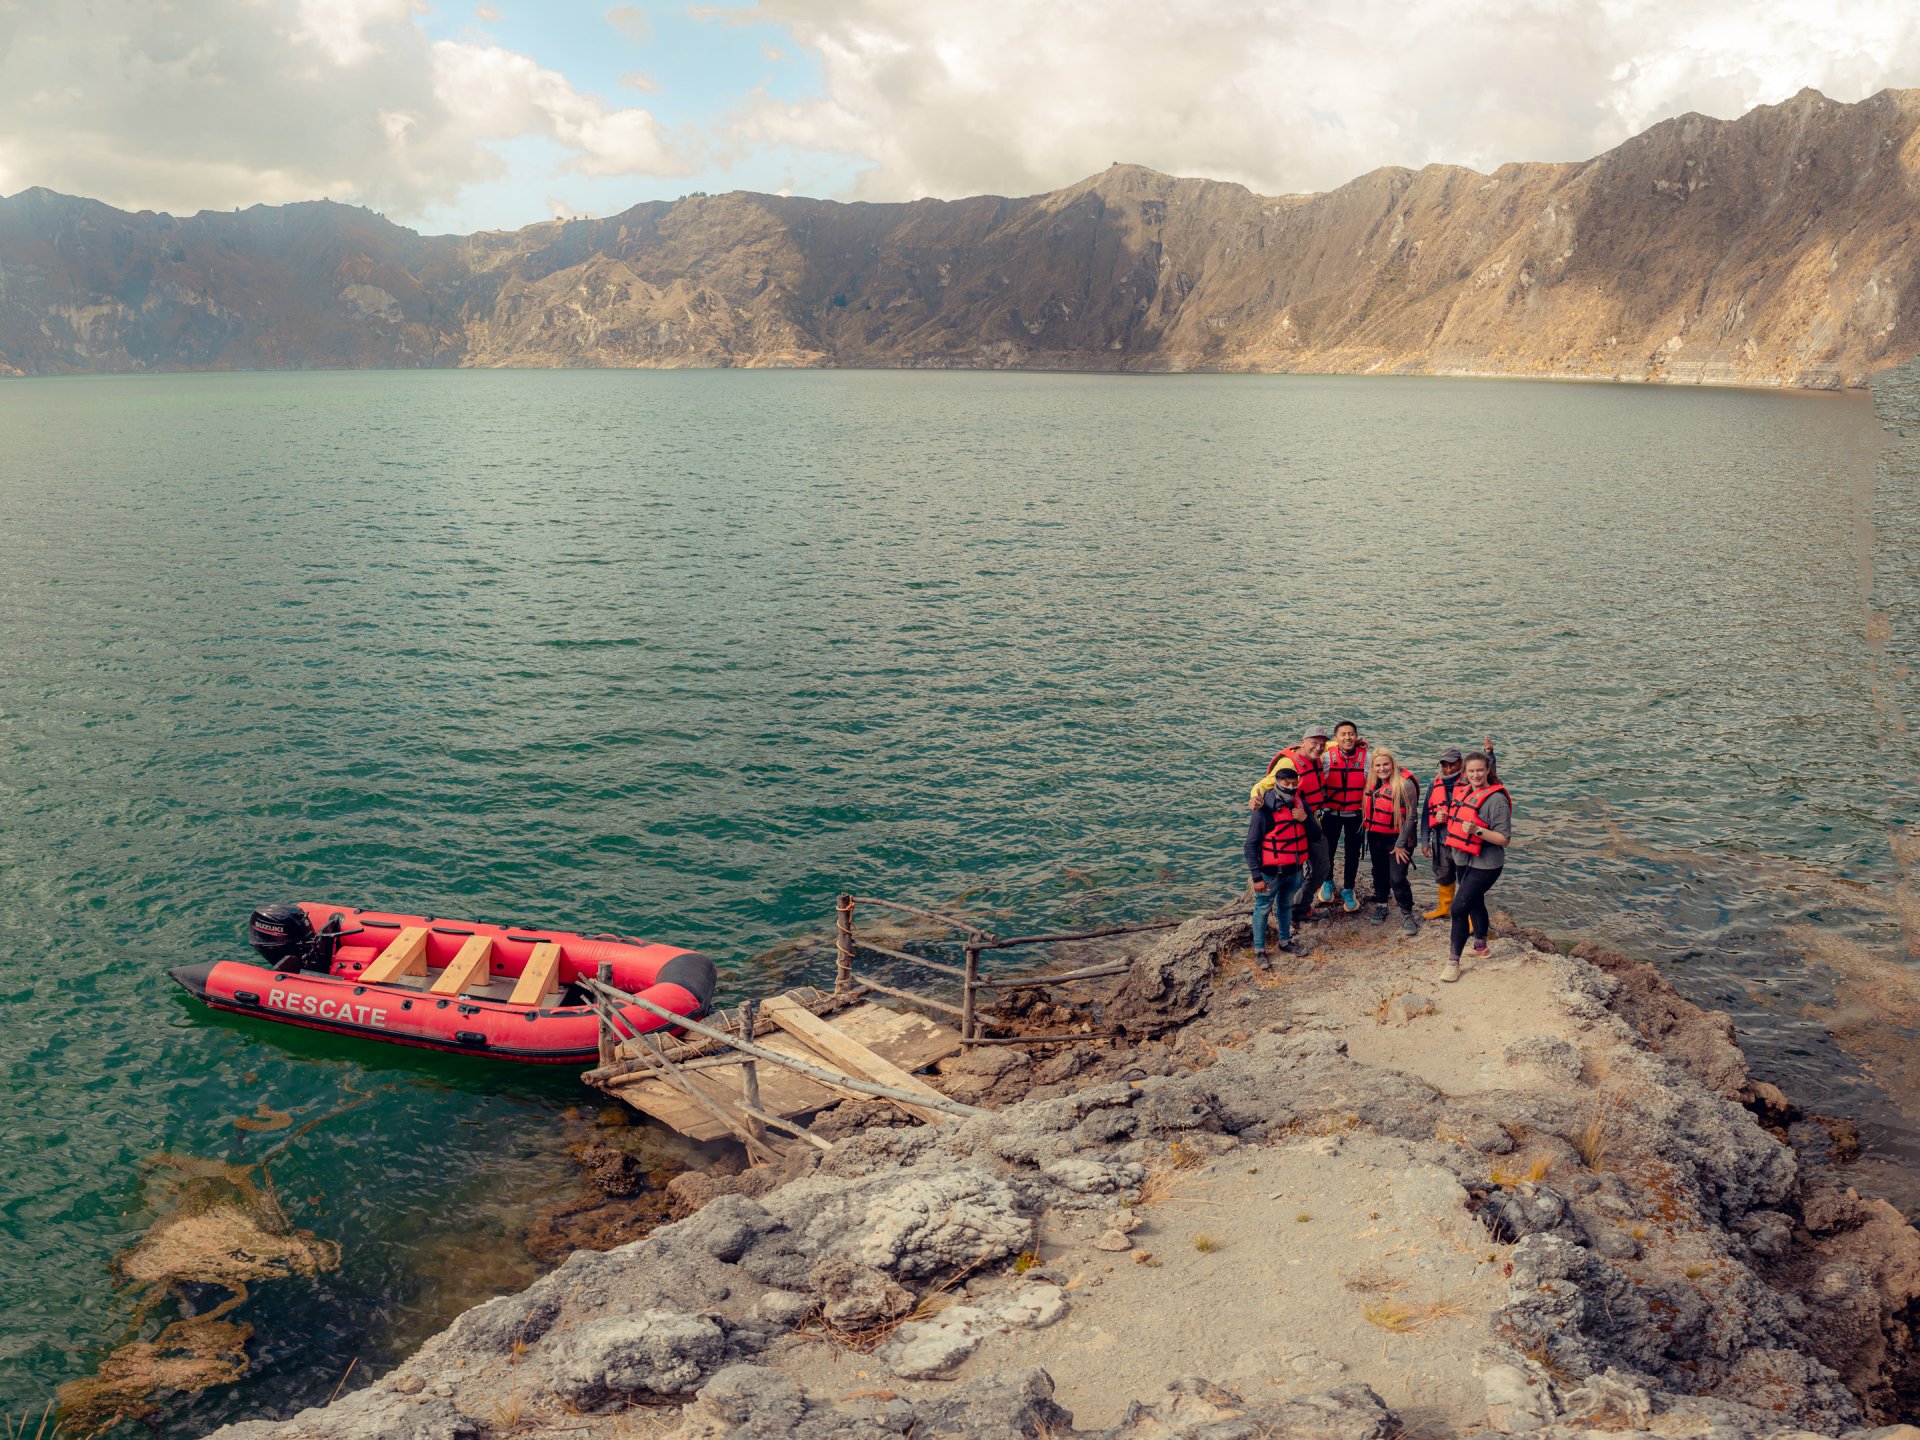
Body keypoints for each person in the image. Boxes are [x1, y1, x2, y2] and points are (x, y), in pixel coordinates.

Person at [1439, 749, 1511, 983]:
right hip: (1463, 857)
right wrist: (1444, 815)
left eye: (1480, 770)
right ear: (1465, 772)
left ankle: (1453, 962)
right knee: (1474, 901)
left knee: (1459, 908)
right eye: (1471, 771)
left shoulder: (1497, 800)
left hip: (1487, 864)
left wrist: (1477, 831)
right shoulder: (1464, 791)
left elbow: (1504, 839)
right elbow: (1457, 817)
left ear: (1488, 770)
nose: (1476, 774)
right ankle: (1481, 947)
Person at [1250, 727, 1332, 928]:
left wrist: (1351, 742)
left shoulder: (1318, 753)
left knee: (1321, 866)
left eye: (1322, 744)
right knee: (1299, 869)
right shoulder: (1289, 763)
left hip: (1309, 819)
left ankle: (1299, 906)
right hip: (1291, 823)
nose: (1319, 747)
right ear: (1302, 742)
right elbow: (1263, 785)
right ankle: (1291, 911)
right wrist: (1254, 798)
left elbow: (1332, 744)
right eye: (1314, 742)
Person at [1244, 760, 1320, 965]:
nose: (1291, 788)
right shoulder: (1263, 808)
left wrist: (1305, 818)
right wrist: (1256, 877)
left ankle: (1285, 941)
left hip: (1294, 870)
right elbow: (1250, 845)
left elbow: (1316, 835)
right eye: (1286, 784)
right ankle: (1259, 951)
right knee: (1263, 909)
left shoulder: (1301, 804)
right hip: (1270, 872)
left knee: (1285, 906)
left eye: (1294, 784)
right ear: (1276, 782)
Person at [1421, 737, 1496, 919]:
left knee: (1468, 880)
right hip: (1440, 840)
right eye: (1444, 765)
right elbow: (1425, 814)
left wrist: (1489, 754)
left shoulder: (1471, 783)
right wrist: (1425, 840)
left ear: (1461, 763)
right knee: (1443, 874)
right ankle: (1444, 908)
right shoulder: (1434, 784)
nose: (1448, 769)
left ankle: (1471, 917)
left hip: (1463, 841)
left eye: (1452, 765)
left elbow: (1491, 776)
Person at [1362, 749, 1421, 934]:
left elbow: (1411, 816)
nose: (1382, 768)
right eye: (1378, 765)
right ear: (1372, 767)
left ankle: (1407, 913)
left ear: (1393, 764)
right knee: (1378, 872)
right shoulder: (1371, 783)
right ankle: (1382, 904)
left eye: (1386, 764)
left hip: (1399, 838)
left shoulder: (1405, 784)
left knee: (1396, 877)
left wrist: (1400, 844)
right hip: (1376, 836)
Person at [1318, 720, 1369, 912]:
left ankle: (1349, 889)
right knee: (1327, 850)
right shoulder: (1327, 758)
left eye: (1351, 734)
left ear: (1356, 737)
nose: (1347, 737)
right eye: (1343, 734)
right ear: (1336, 738)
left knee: (1352, 854)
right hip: (1331, 812)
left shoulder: (1366, 759)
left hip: (1355, 814)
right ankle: (1328, 882)